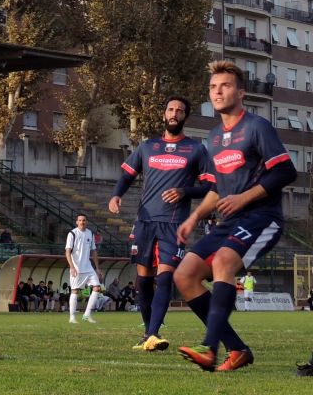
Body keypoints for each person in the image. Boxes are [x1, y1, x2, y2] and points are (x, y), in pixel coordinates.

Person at [175, 61, 297, 372]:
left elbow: (285, 171)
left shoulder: (257, 126)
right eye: (213, 87)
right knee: (184, 275)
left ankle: (209, 347)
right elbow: (216, 188)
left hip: (262, 217)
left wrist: (245, 196)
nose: (218, 91)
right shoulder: (214, 138)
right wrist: (194, 217)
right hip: (227, 222)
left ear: (240, 92)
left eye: (225, 86)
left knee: (222, 263)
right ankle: (237, 349)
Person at [108, 95, 210, 352]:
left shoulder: (196, 149)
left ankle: (153, 333)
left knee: (165, 279)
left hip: (173, 225)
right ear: (164, 114)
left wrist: (185, 191)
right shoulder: (147, 147)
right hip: (144, 222)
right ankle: (147, 332)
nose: (174, 113)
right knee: (143, 281)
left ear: (185, 116)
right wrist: (116, 195)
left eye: (180, 110)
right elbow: (127, 175)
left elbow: (210, 186)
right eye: (171, 109)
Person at [66, 214, 102, 324]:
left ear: (86, 222)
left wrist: (97, 268)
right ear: (77, 222)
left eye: (84, 220)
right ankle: (72, 317)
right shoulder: (72, 233)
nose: (82, 222)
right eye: (80, 220)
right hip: (77, 268)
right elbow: (67, 251)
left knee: (97, 287)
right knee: (75, 291)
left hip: (88, 267)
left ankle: (86, 315)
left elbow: (94, 251)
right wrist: (72, 267)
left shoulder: (90, 233)